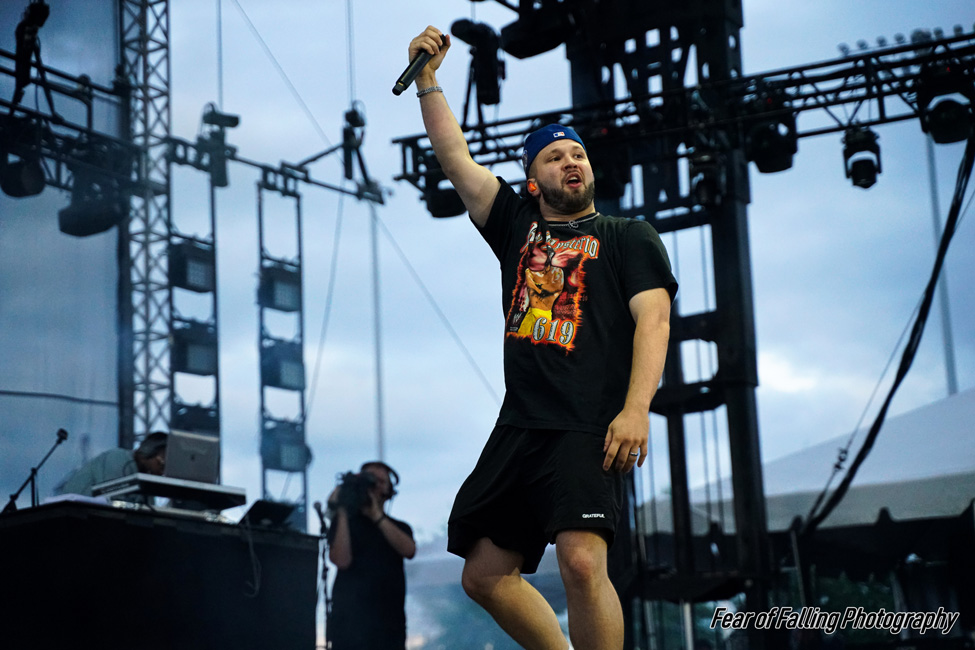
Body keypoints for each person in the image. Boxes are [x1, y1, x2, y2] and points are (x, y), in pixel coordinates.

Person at [408, 26, 679, 650]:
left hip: (588, 422)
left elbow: (655, 322)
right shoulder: (515, 225)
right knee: (483, 575)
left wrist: (637, 409)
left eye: (578, 154)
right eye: (556, 157)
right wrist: (427, 78)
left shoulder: (627, 236)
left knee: (583, 562)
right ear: (533, 180)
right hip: (521, 425)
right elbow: (456, 158)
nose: (571, 162)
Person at [326, 461, 416, 650]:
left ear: (390, 490)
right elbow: (341, 560)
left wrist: (376, 515)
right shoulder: (345, 525)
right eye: (370, 480)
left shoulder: (400, 528)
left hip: (389, 627)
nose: (374, 485)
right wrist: (341, 510)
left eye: (381, 481)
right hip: (349, 626)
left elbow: (409, 550)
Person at [56, 431, 168, 497]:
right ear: (147, 450)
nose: (161, 473)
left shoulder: (145, 481)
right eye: (161, 464)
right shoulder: (118, 458)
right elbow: (109, 499)